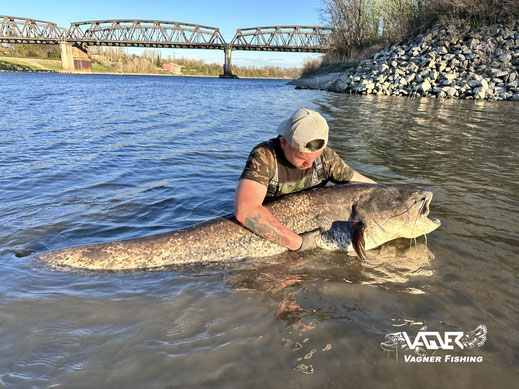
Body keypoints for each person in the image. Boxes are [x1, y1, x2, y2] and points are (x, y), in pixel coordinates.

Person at [234, 107, 376, 252]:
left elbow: (366, 186)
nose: (309, 164)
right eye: (302, 158)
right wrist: (299, 244)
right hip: (268, 229)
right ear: (284, 143)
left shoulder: (326, 158)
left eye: (314, 157)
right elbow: (245, 210)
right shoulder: (265, 156)